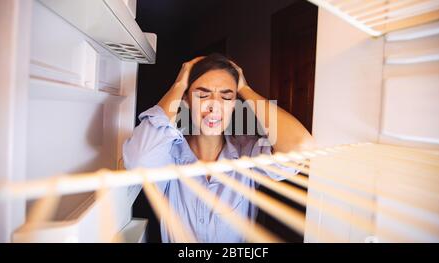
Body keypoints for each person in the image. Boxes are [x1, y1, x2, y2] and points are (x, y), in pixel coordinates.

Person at [123, 53, 314, 242]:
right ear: (186, 101)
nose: (214, 106)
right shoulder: (168, 154)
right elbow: (138, 160)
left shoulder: (247, 156)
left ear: (235, 106)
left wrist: (244, 88)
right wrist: (179, 86)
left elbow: (300, 145)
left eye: (226, 97)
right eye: (202, 95)